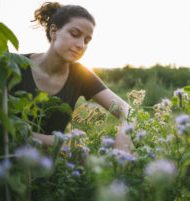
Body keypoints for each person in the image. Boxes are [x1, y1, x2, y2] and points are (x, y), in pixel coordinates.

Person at [11, 2, 135, 154]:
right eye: (74, 34)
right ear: (54, 32)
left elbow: (126, 109)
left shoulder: (80, 74)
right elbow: (1, 128)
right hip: (4, 166)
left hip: (51, 170)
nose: (81, 45)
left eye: (87, 40)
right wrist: (61, 143)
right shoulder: (13, 66)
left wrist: (124, 133)